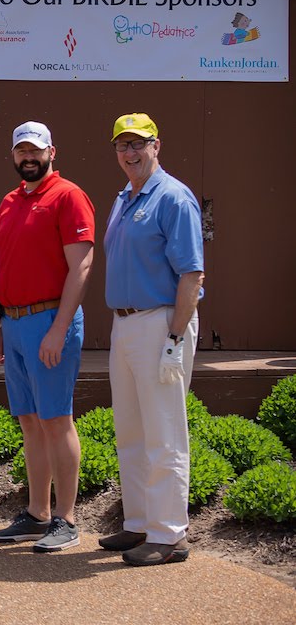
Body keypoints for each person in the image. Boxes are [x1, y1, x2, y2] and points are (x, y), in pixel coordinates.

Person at [101, 113, 204, 567]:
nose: (130, 153)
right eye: (122, 145)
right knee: (131, 431)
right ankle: (140, 522)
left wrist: (175, 337)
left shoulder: (173, 197)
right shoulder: (124, 196)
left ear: (156, 145)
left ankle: (169, 534)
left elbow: (192, 273)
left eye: (138, 144)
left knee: (164, 433)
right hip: (125, 324)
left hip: (162, 322)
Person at [0, 121, 95, 553]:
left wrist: (57, 328)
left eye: (35, 150)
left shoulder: (69, 196)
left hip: (51, 320)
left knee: (56, 419)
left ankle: (67, 518)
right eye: (21, 151)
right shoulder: (10, 201)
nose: (28, 157)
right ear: (13, 156)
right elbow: (11, 266)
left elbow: (82, 267)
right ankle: (38, 513)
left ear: (53, 151)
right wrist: (0, 325)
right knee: (30, 423)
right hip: (14, 323)